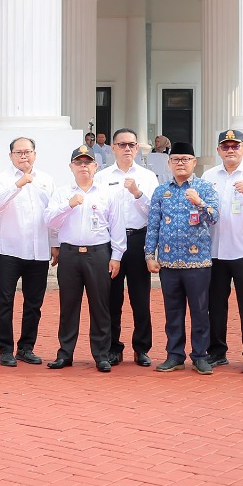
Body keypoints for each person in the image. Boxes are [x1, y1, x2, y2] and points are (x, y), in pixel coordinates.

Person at [45, 145, 128, 371]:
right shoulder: (62, 192)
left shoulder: (107, 193)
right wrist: (68, 204)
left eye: (87, 162)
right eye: (79, 162)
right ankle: (65, 353)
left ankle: (101, 354)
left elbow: (117, 227)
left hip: (98, 254)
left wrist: (116, 256)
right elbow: (49, 220)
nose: (83, 166)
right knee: (68, 305)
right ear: (71, 166)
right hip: (70, 254)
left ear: (95, 166)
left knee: (100, 306)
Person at [146, 143, 218, 374]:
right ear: (169, 163)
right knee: (173, 312)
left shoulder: (205, 188)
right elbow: (153, 225)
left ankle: (200, 356)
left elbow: (215, 217)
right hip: (168, 262)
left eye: (185, 159)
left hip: (198, 262)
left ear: (194, 162)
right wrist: (150, 255)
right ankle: (174, 355)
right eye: (176, 159)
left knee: (200, 311)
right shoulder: (161, 191)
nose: (180, 163)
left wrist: (199, 202)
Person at [202, 128, 243, 374]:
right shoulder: (209, 175)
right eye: (226, 146)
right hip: (215, 249)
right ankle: (216, 352)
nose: (230, 150)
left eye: (235, 146)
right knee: (215, 304)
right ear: (219, 150)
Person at [0, 136, 54, 366]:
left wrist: (55, 244)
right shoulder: (2, 179)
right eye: (18, 152)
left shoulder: (46, 180)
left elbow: (53, 215)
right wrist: (18, 185)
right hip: (10, 250)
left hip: (38, 251)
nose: (23, 156)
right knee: (4, 302)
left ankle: (26, 348)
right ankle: (5, 349)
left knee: (34, 304)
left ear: (35, 154)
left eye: (27, 152)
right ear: (11, 156)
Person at [96, 128, 158, 366]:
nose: (127, 149)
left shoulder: (148, 177)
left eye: (131, 144)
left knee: (140, 298)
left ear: (137, 148)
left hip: (137, 239)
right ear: (113, 148)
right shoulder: (102, 177)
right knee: (112, 299)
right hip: (111, 242)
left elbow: (154, 212)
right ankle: (113, 347)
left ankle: (142, 348)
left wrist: (137, 193)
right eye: (122, 145)